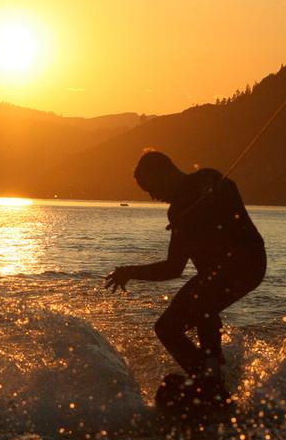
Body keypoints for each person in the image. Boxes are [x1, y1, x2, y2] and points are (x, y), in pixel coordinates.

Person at [105, 151, 266, 411]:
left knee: (204, 301)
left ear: (166, 173)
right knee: (166, 327)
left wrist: (210, 195)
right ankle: (208, 377)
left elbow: (225, 188)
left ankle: (212, 379)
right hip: (213, 274)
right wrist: (130, 271)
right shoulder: (178, 212)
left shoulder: (208, 179)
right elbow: (173, 268)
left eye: (152, 188)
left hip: (247, 262)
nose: (153, 196)